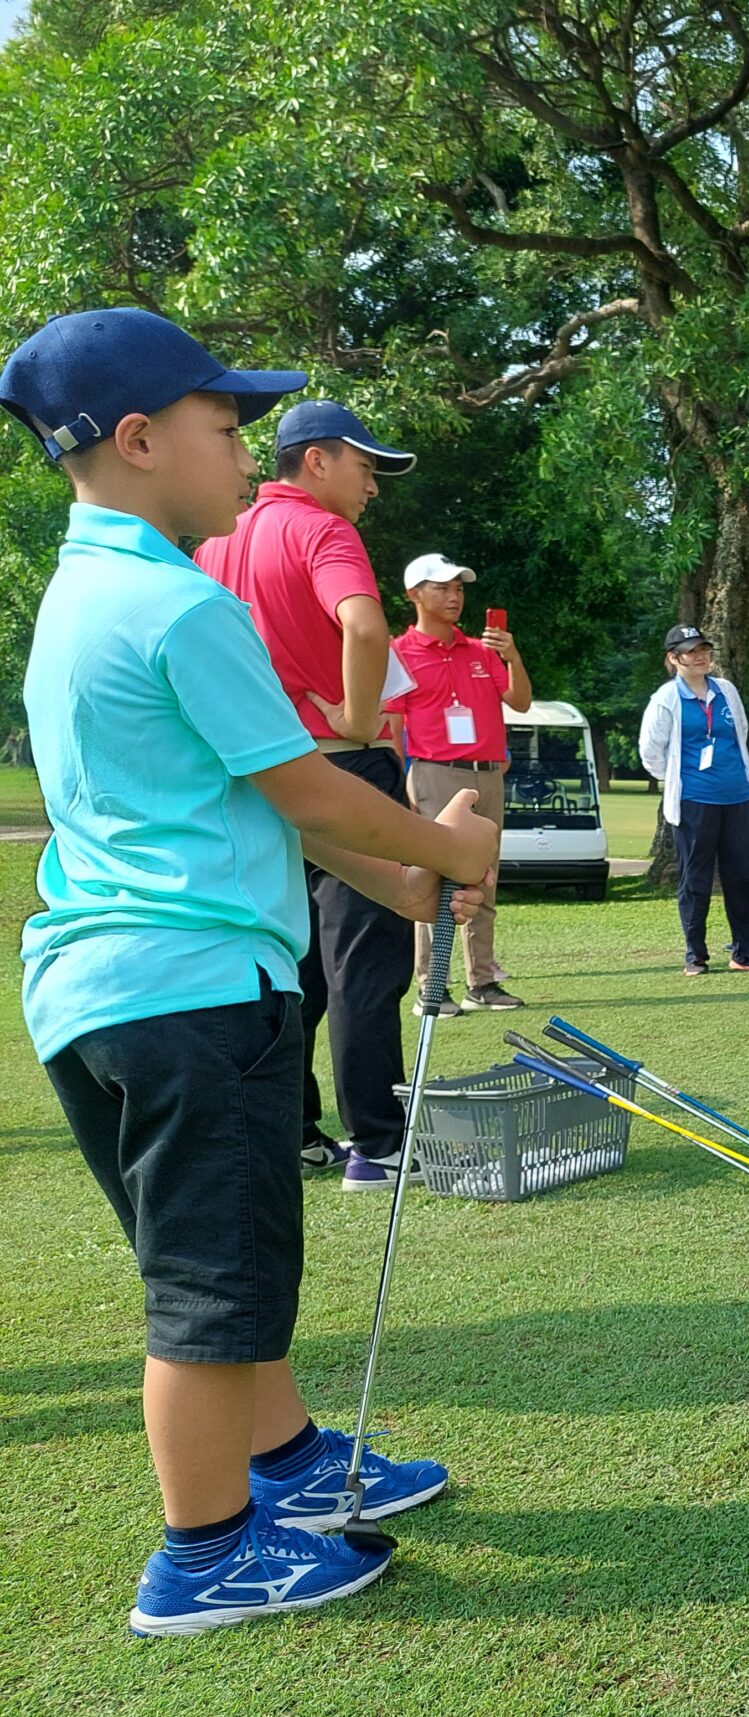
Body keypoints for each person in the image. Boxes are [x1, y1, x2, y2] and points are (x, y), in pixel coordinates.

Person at [1, 308, 499, 1634]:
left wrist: (400, 880)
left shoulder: (85, 592)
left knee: (232, 1261)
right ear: (141, 438)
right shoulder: (174, 600)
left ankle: (282, 1464)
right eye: (228, 429)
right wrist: (441, 852)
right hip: (189, 996)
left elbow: (237, 805)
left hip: (111, 992)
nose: (248, 456)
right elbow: (304, 786)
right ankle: (206, 1552)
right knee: (208, 1294)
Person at [194, 397, 419, 1192]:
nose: (373, 488)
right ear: (316, 460)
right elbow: (363, 625)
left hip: (263, 779)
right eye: (365, 468)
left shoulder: (219, 538)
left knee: (292, 965)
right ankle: (381, 1144)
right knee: (363, 963)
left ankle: (290, 1132)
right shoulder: (324, 530)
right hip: (340, 767)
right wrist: (360, 719)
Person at [387, 552, 531, 1009]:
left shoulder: (481, 651)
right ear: (414, 594)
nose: (453, 597)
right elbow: (391, 727)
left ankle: (482, 983)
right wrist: (400, 786)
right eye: (442, 587)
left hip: (486, 773)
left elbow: (521, 702)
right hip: (432, 773)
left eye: (459, 588)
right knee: (434, 879)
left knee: (484, 880)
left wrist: (512, 655)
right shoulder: (397, 652)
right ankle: (432, 986)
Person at [636, 625, 749, 976]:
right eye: (691, 651)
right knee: (696, 879)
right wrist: (679, 778)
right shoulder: (666, 698)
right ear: (673, 658)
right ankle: (696, 955)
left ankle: (746, 953)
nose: (700, 656)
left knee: (747, 878)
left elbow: (739, 734)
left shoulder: (726, 691)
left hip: (737, 797)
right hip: (694, 801)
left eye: (704, 649)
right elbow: (651, 753)